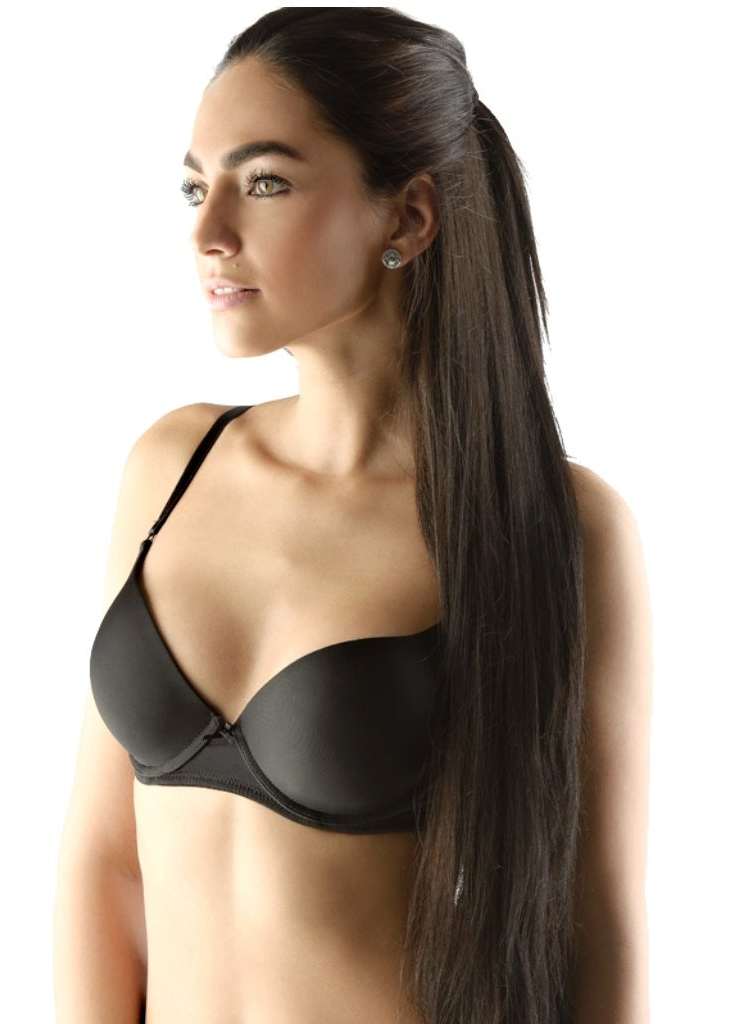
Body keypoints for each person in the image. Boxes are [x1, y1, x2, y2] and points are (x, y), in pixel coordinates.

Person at [52, 7, 652, 1023]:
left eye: (264, 182)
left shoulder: (553, 526)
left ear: (407, 219)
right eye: (196, 187)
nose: (208, 232)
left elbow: (599, 933)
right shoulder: (171, 468)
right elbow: (105, 861)